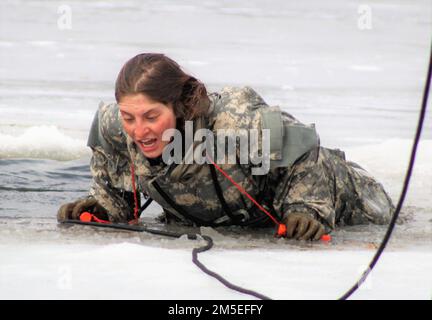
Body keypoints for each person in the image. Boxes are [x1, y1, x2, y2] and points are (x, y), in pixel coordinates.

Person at [57, 53, 394, 241]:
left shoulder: (235, 125)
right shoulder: (116, 128)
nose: (139, 131)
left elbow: (306, 146)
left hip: (355, 199)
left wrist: (305, 211)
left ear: (177, 107)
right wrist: (104, 206)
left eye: (151, 116)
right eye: (129, 117)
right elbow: (115, 174)